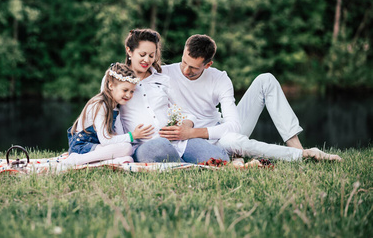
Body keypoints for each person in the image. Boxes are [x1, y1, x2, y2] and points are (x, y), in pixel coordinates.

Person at [159, 34, 342, 162]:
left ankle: (296, 147)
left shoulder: (220, 78)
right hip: (195, 142)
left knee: (266, 80)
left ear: (208, 65)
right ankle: (302, 156)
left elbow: (233, 125)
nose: (185, 70)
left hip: (219, 132)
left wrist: (193, 132)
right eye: (184, 62)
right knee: (234, 142)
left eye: (193, 67)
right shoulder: (165, 73)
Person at [119, 29, 229, 163]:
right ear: (129, 51)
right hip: (144, 145)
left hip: (177, 142)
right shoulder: (117, 80)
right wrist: (126, 138)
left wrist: (186, 125)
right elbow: (108, 114)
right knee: (158, 148)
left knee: (218, 158)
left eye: (151, 55)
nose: (147, 60)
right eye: (142, 54)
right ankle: (185, 166)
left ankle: (181, 163)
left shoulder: (162, 78)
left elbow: (184, 112)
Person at [61, 63, 155, 167]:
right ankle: (78, 159)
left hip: (97, 146)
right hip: (82, 146)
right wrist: (133, 136)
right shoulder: (100, 105)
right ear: (111, 86)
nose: (128, 95)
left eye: (132, 91)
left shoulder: (115, 107)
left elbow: (118, 135)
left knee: (127, 155)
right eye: (125, 90)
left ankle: (102, 162)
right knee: (126, 148)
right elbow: (105, 140)